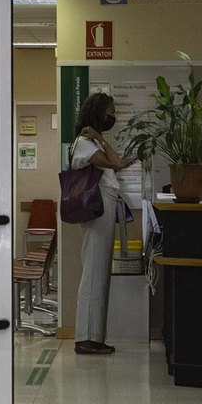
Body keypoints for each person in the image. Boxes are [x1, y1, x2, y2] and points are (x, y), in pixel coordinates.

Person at [69, 91, 128, 356]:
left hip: (104, 205)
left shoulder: (91, 143)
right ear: (98, 113)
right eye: (111, 112)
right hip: (97, 207)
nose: (113, 117)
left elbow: (117, 163)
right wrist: (100, 138)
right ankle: (85, 338)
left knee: (100, 271)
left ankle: (95, 336)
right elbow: (115, 162)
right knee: (94, 271)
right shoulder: (85, 142)